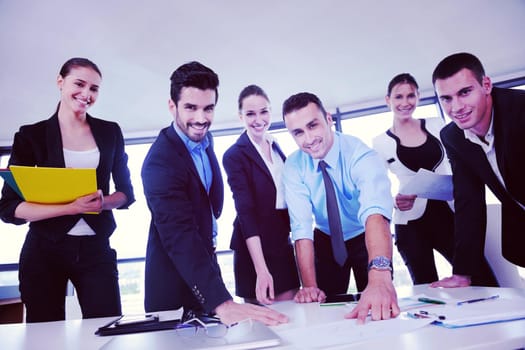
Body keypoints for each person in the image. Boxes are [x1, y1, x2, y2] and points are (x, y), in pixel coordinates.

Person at [141, 61, 288, 326]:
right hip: (173, 287)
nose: (201, 119)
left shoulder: (204, 140)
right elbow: (179, 235)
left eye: (208, 108)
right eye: (190, 108)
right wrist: (222, 302)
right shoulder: (160, 162)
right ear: (172, 106)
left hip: (206, 269)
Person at [0, 57, 135, 322]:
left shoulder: (110, 132)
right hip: (44, 250)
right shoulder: (31, 136)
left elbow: (126, 193)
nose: (86, 94)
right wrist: (72, 207)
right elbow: (9, 208)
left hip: (96, 247)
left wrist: (102, 203)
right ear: (60, 82)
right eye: (79, 84)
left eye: (94, 89)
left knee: (107, 327)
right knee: (45, 333)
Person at [282, 92, 399, 323]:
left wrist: (380, 274)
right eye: (298, 132)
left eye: (313, 125)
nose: (308, 138)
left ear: (328, 119)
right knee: (322, 312)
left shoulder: (359, 153)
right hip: (325, 240)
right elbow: (302, 228)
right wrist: (310, 287)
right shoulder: (294, 166)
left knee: (380, 307)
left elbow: (375, 212)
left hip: (365, 235)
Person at [430, 52, 525, 288]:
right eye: (446, 99)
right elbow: (468, 200)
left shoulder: (521, 110)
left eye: (464, 92)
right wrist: (462, 273)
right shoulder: (452, 137)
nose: (457, 107)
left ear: (486, 85)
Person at [372, 73, 455, 285]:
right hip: (410, 221)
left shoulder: (438, 125)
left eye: (411, 96)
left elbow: (459, 161)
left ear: (418, 96)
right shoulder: (380, 142)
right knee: (426, 285)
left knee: (478, 275)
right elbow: (376, 188)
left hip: (448, 214)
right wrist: (393, 200)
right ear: (388, 100)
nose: (405, 102)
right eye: (398, 97)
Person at [222, 85, 300, 305]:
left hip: (281, 243)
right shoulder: (234, 155)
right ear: (240, 117)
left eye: (263, 111)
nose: (258, 119)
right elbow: (245, 212)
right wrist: (262, 271)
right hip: (253, 249)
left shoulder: (276, 146)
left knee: (293, 316)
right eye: (250, 114)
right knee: (262, 323)